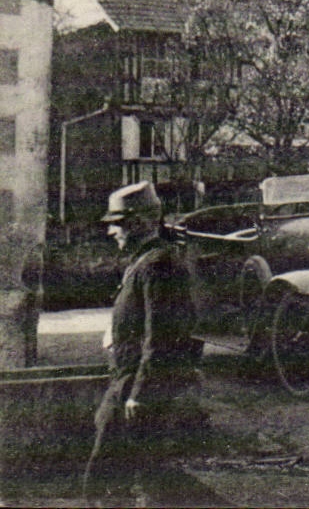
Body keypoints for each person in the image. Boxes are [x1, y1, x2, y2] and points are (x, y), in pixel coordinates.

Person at [83, 181, 218, 507]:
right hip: (128, 381)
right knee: (145, 476)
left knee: (111, 479)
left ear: (140, 222)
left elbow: (162, 337)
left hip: (137, 386)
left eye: (117, 224)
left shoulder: (157, 265)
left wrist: (140, 393)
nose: (111, 232)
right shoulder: (144, 261)